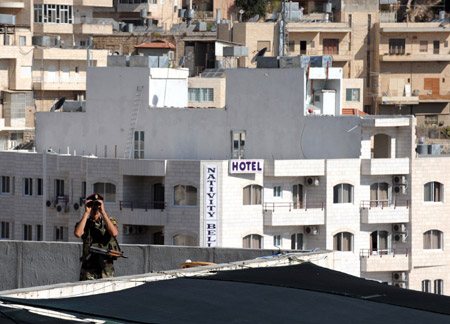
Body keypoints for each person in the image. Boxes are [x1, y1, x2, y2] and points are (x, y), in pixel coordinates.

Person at [74, 193, 119, 280]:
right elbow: (78, 234)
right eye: (93, 207)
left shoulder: (109, 222)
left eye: (97, 206)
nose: (95, 209)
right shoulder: (84, 223)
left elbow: (114, 233)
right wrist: (87, 212)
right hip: (88, 269)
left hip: (106, 269)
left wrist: (103, 212)